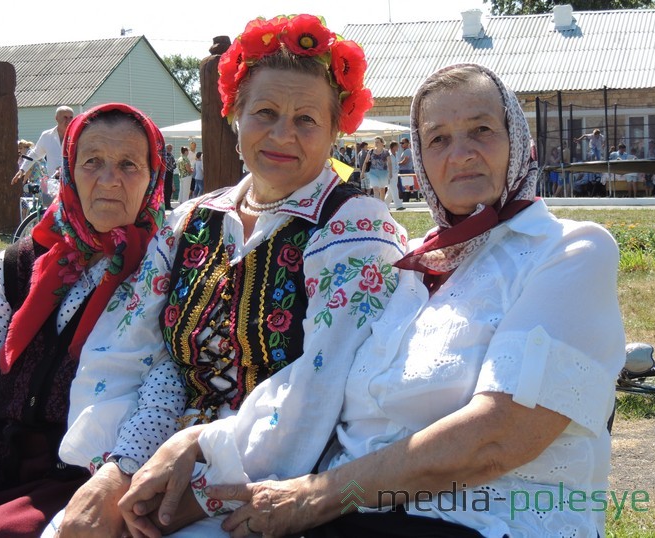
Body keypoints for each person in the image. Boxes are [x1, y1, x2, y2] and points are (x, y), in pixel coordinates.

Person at [120, 63, 625, 538]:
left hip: (484, 520)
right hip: (356, 515)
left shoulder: (568, 250)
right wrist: (202, 443)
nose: (461, 152)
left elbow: (501, 436)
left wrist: (319, 496)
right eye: (438, 139)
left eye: (482, 130)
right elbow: (320, 379)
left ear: (518, 141)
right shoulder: (413, 269)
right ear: (419, 159)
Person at [49, 14, 405, 538]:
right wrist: (116, 470)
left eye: (306, 120)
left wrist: (197, 484)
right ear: (234, 115)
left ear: (335, 129)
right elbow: (130, 352)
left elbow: (321, 388)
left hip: (269, 488)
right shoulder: (192, 221)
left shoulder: (355, 228)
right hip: (152, 468)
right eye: (264, 112)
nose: (282, 134)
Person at [0, 103, 180, 537]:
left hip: (76, 475)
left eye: (129, 165)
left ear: (153, 177)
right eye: (92, 161)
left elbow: (165, 395)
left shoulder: (164, 274)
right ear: (69, 170)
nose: (109, 178)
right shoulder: (18, 266)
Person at [12, 106, 74, 188]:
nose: (68, 121)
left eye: (71, 117)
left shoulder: (78, 136)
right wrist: (22, 170)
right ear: (56, 118)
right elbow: (34, 154)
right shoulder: (47, 136)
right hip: (54, 185)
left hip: (74, 183)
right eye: (65, 117)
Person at [361, 136, 392, 201]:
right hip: (373, 172)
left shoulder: (386, 152)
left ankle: (382, 204)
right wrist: (362, 172)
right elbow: (365, 162)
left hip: (383, 172)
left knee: (382, 189)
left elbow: (389, 163)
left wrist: (390, 172)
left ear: (382, 143)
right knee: (375, 188)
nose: (376, 143)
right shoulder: (371, 151)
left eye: (377, 142)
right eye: (375, 142)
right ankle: (377, 204)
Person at [387, 140, 404, 210]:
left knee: (390, 191)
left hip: (395, 173)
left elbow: (397, 163)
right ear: (393, 147)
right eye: (397, 146)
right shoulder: (388, 154)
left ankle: (385, 205)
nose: (398, 148)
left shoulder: (396, 154)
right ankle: (398, 205)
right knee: (394, 189)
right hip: (389, 174)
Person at [164, 143, 177, 209]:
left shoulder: (171, 155)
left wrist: (172, 167)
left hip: (170, 173)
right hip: (165, 174)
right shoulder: (164, 155)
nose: (169, 149)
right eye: (168, 148)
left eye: (170, 148)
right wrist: (171, 167)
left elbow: (175, 165)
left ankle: (168, 205)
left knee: (169, 190)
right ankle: (166, 205)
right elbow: (166, 164)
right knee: (166, 190)